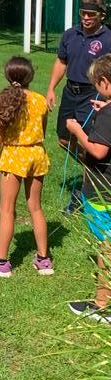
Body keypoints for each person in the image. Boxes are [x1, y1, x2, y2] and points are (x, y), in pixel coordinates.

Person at [0, 56, 52, 277]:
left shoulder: (5, 101)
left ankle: (0, 261)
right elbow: (42, 131)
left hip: (14, 155)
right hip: (36, 153)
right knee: (35, 206)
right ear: (31, 76)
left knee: (6, 209)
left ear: (8, 75)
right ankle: (44, 259)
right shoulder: (41, 100)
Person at [65, 53, 111, 322]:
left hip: (103, 190)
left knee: (106, 244)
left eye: (97, 83)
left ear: (105, 81)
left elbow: (98, 150)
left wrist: (76, 131)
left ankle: (102, 303)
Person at [46, 0, 111, 148]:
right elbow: (61, 62)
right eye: (83, 13)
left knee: (92, 140)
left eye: (91, 14)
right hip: (70, 92)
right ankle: (86, 164)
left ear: (101, 16)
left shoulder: (108, 38)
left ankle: (91, 170)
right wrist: (51, 89)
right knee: (63, 139)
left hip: (92, 93)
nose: (86, 18)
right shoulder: (70, 34)